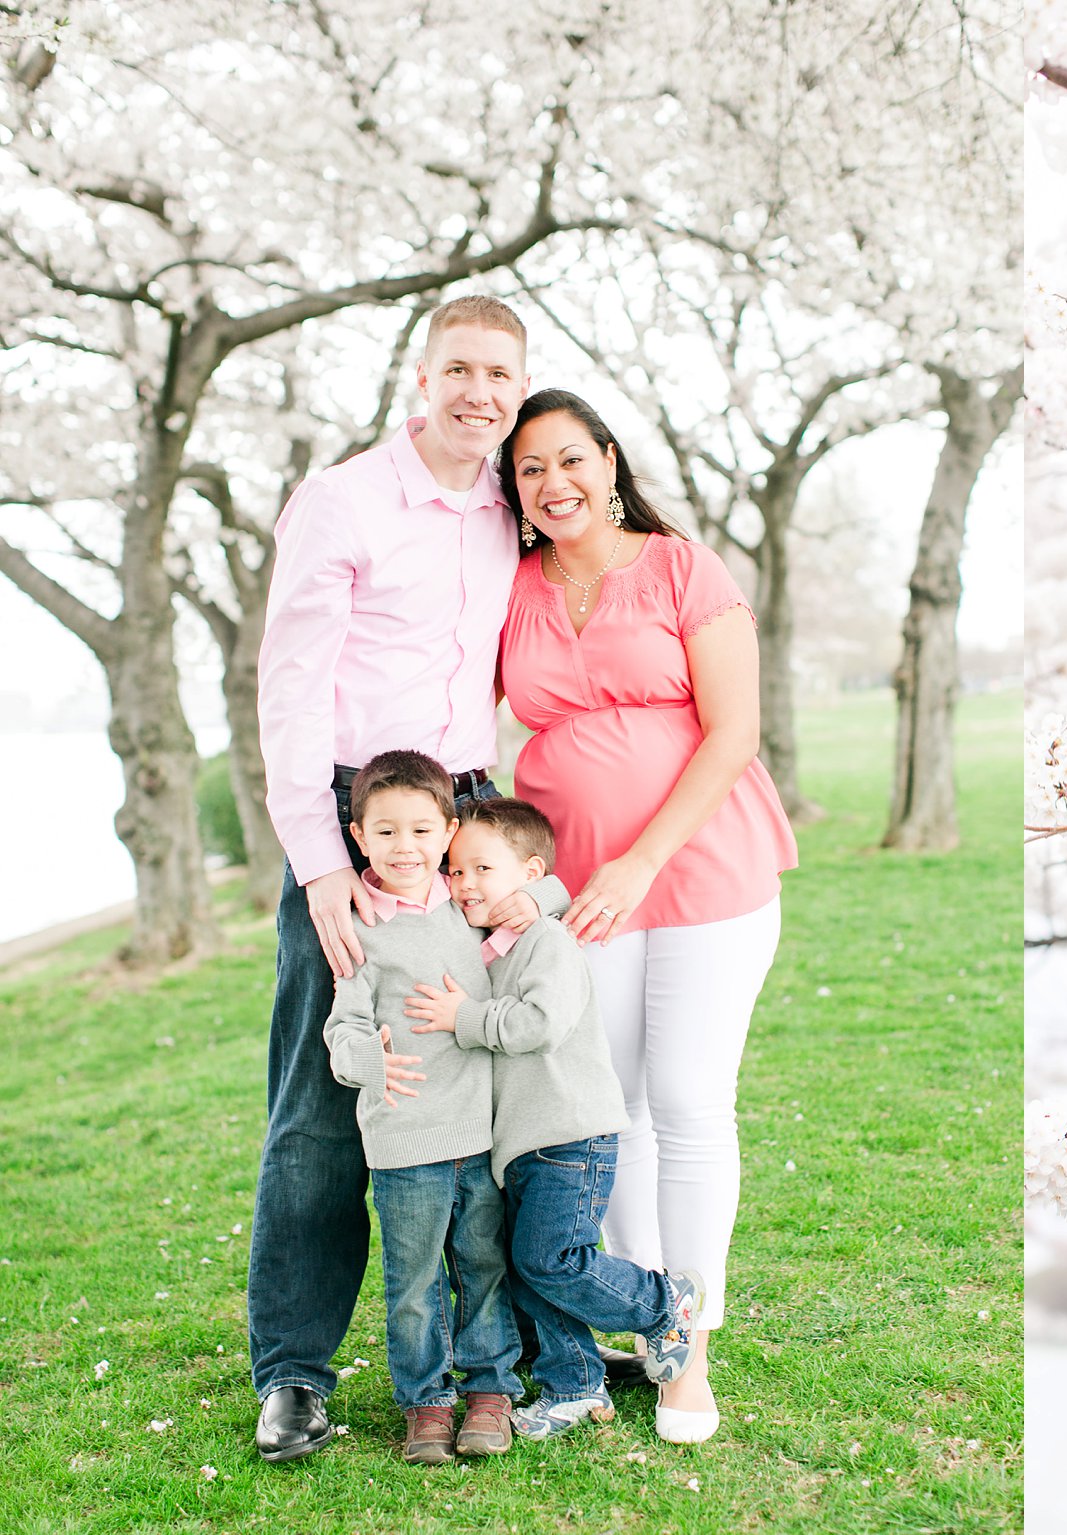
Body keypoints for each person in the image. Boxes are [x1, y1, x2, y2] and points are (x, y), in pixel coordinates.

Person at [248, 294, 533, 1464]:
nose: (478, 394)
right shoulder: (344, 501)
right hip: (360, 819)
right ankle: (296, 1373)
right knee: (325, 1104)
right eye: (457, 370)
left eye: (498, 376)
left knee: (484, 1080)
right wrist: (322, 862)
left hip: (466, 817)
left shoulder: (507, 510)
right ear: (422, 378)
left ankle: (504, 1361)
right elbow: (290, 687)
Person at [495, 389, 799, 1444]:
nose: (554, 483)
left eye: (569, 458)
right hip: (580, 883)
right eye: (530, 468)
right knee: (606, 1104)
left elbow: (733, 731)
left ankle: (692, 1348)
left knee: (687, 1097)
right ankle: (646, 1315)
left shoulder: (681, 568)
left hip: (701, 867)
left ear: (609, 460)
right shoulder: (515, 588)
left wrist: (641, 857)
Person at [402, 796, 705, 1439]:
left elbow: (540, 1024)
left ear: (532, 874)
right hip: (522, 1142)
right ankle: (575, 1386)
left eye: (482, 868)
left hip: (571, 1133)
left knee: (553, 1259)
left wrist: (465, 1019)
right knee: (530, 1265)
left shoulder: (545, 940)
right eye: (455, 872)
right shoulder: (487, 949)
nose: (464, 884)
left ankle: (659, 1304)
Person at [321, 751, 521, 1464]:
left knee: (482, 1263)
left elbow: (542, 896)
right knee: (414, 1280)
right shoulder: (358, 924)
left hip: (479, 1127)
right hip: (404, 1137)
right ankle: (427, 1404)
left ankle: (491, 1390)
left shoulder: (471, 905)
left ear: (447, 832)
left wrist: (539, 902)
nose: (403, 846)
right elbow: (341, 1031)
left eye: (419, 830)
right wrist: (371, 1060)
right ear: (357, 835)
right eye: (385, 831)